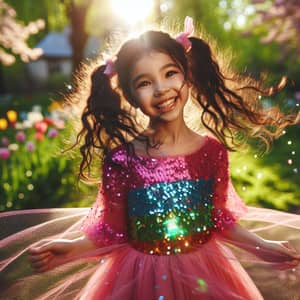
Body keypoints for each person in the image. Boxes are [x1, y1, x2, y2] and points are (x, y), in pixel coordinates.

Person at [1, 17, 300, 299]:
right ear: (130, 96)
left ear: (187, 76)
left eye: (170, 73)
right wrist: (70, 248)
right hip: (139, 277)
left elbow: (219, 219)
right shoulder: (121, 161)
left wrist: (264, 246)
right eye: (144, 83)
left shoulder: (211, 152)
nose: (161, 89)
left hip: (208, 274)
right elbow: (112, 231)